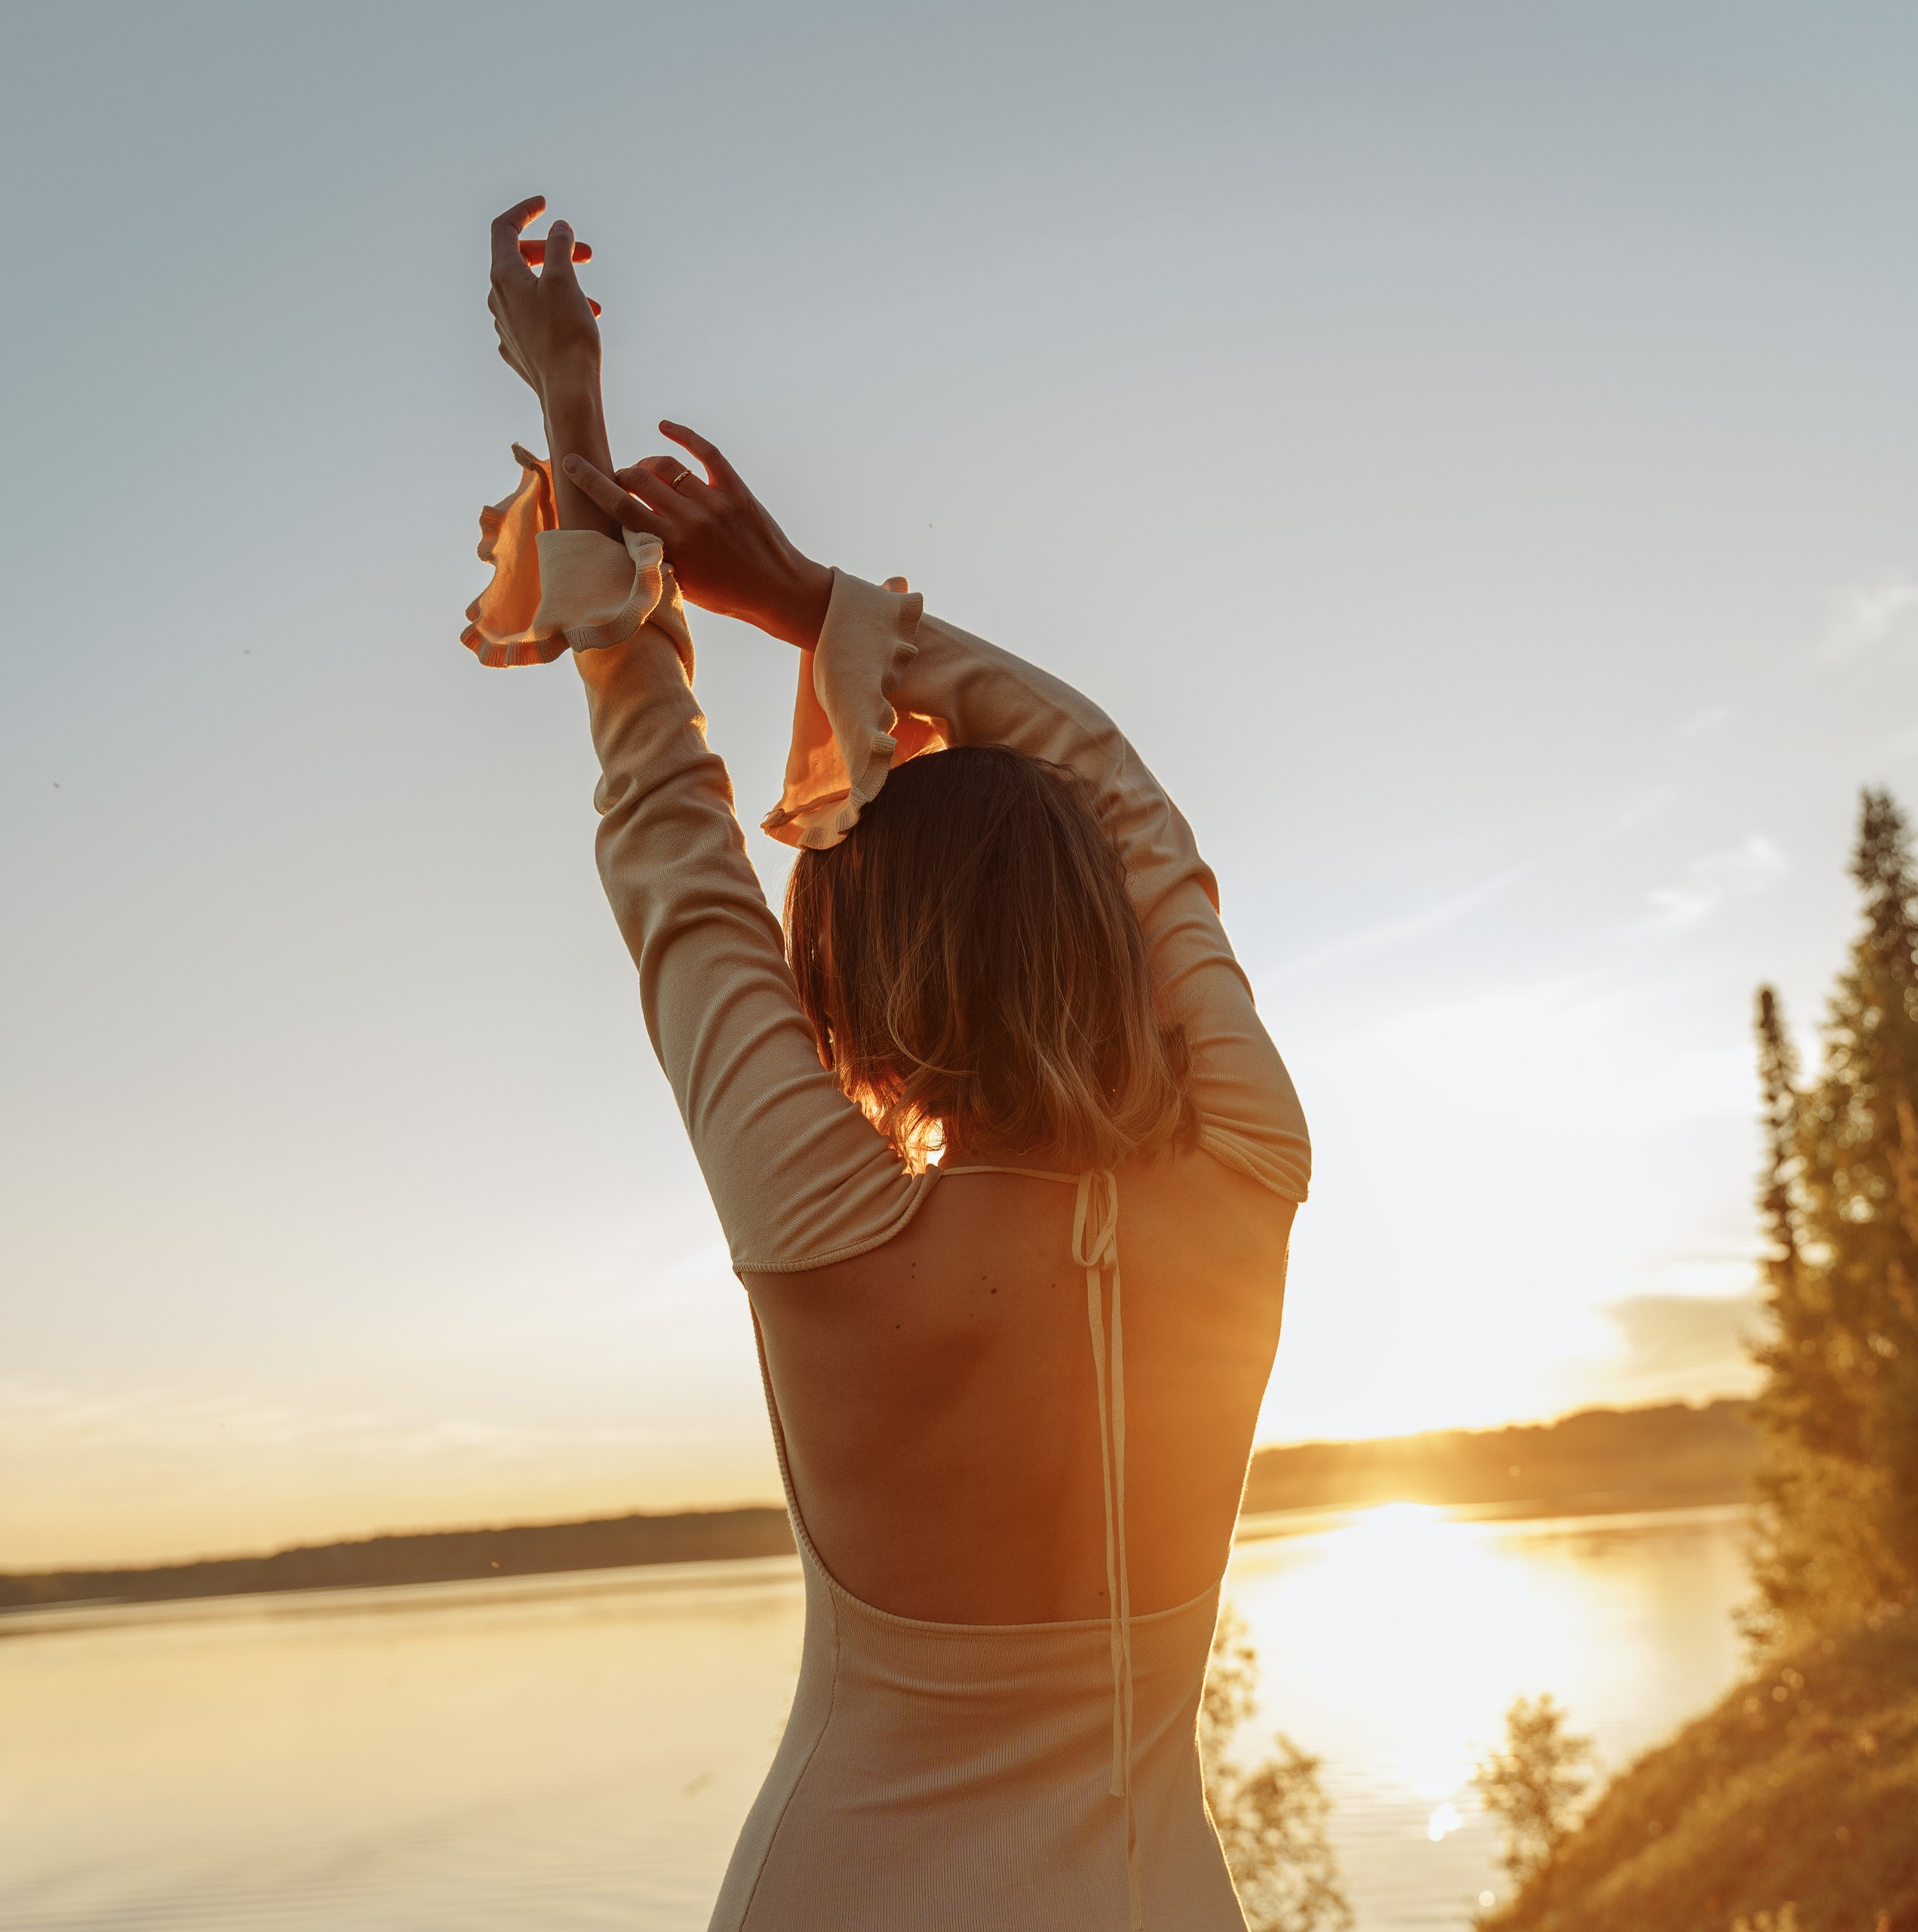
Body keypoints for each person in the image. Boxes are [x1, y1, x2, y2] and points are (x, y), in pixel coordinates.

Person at [465, 198, 1312, 1932]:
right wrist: (807, 599)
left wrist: (571, 415)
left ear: (841, 976)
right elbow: (1121, 788)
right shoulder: (1247, 1161)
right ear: (1106, 932)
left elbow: (670, 830)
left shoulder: (826, 1217)